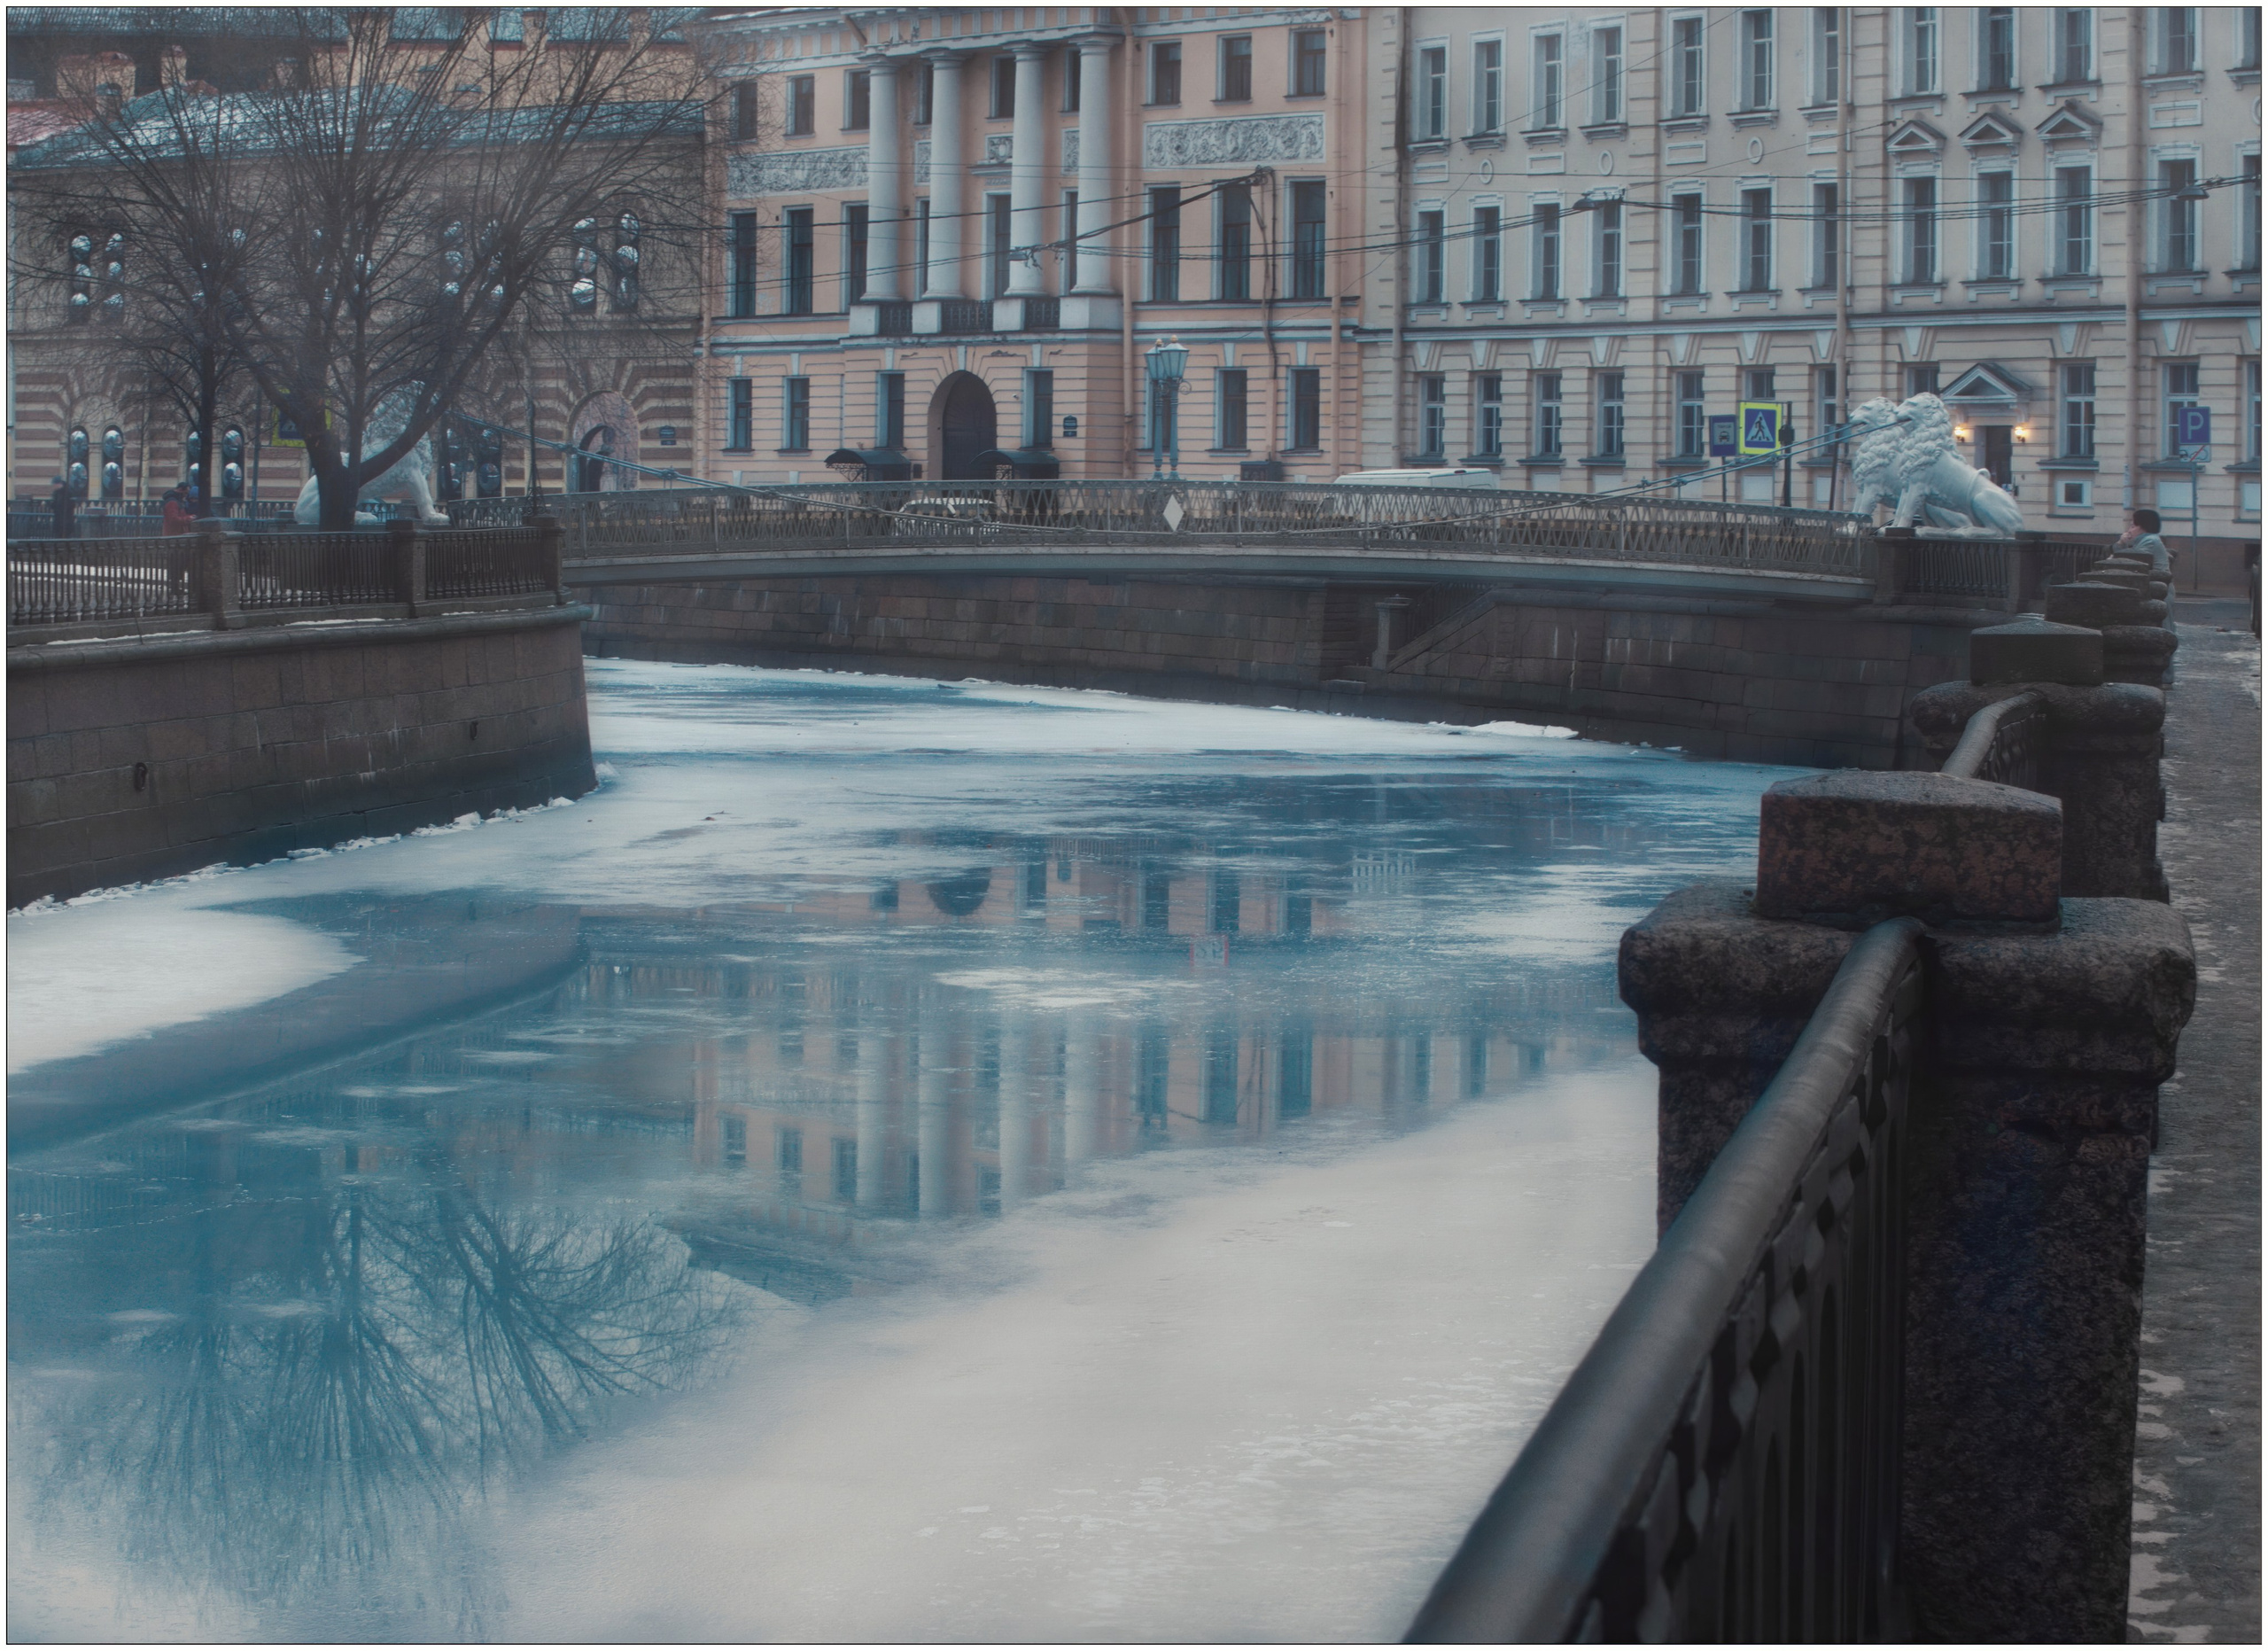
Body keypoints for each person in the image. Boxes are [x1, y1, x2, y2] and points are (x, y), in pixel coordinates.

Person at [2115, 507, 2173, 578]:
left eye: (2132, 526)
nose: (2129, 530)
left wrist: (2120, 543)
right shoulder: (2148, 539)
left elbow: (2132, 564)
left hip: (2156, 583)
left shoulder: (2149, 541)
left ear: (2144, 527)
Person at [49, 474, 74, 540]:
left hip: (65, 521)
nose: (53, 486)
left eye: (54, 484)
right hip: (59, 519)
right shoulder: (56, 493)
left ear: (58, 484)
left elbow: (70, 505)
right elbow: (55, 505)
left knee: (64, 538)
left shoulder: (67, 492)